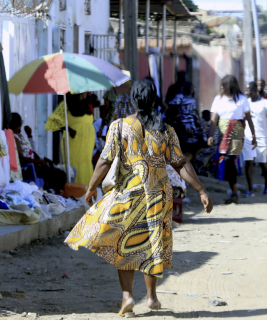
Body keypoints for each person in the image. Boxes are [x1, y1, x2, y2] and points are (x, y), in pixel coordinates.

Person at [64, 79, 213, 317]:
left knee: (126, 243)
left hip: (129, 193)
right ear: (155, 100)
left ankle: (127, 297)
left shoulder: (119, 127)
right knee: (154, 241)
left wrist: (91, 188)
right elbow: (181, 163)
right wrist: (201, 190)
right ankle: (152, 296)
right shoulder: (166, 130)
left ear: (133, 100)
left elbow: (104, 161)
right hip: (158, 195)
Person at [207, 75, 257, 204]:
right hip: (223, 133)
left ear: (231, 85)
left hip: (236, 132)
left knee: (229, 159)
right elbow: (213, 119)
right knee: (227, 162)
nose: (221, 87)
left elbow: (249, 119)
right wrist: (210, 135)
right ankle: (234, 191)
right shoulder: (218, 99)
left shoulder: (242, 99)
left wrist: (254, 136)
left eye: (224, 84)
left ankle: (234, 192)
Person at [45, 93, 96, 186]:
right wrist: (68, 128)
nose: (81, 95)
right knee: (74, 163)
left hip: (87, 141)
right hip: (73, 141)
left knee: (86, 164)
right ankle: (74, 189)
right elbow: (52, 122)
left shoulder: (86, 105)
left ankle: (87, 189)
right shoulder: (65, 104)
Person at [8, 113, 67, 193]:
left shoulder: (19, 135)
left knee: (58, 173)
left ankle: (54, 191)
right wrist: (39, 161)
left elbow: (32, 151)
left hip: (35, 164)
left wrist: (29, 135)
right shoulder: (14, 138)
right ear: (18, 123)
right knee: (59, 175)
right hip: (28, 168)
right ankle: (54, 192)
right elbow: (21, 158)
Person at [242, 82, 267, 196]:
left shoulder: (265, 103)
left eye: (249, 90)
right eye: (246, 90)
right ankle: (250, 189)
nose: (247, 92)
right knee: (248, 163)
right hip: (248, 138)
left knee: (263, 164)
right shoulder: (244, 103)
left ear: (255, 90)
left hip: (262, 138)